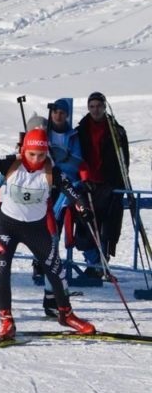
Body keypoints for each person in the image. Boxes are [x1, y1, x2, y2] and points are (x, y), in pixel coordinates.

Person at [0, 100, 90, 318]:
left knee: (52, 259)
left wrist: (80, 193)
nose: (39, 134)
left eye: (42, 130)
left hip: (43, 217)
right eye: (35, 130)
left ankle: (52, 302)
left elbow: (74, 168)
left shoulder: (50, 156)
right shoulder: (18, 159)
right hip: (12, 219)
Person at [0, 127, 96, 340]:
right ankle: (6, 320)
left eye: (41, 155)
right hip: (7, 226)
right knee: (1, 268)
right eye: (32, 154)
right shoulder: (11, 162)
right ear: (24, 150)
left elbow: (72, 192)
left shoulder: (52, 171)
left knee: (55, 268)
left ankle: (66, 314)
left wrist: (83, 208)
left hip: (36, 229)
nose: (36, 159)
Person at [74, 91, 129, 276]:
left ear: (104, 107)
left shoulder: (116, 130)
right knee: (85, 223)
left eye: (99, 106)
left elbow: (124, 161)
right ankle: (93, 262)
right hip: (87, 184)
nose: (95, 110)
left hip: (109, 184)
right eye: (92, 106)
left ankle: (101, 264)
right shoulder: (80, 129)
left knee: (108, 226)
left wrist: (121, 184)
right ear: (88, 108)